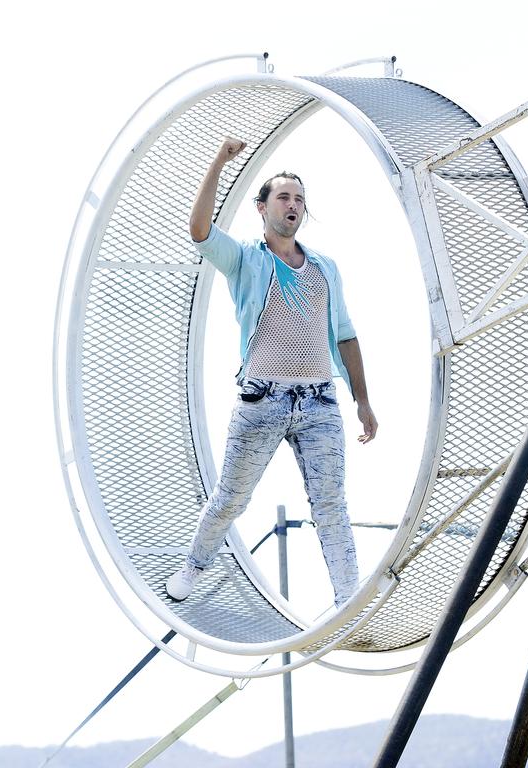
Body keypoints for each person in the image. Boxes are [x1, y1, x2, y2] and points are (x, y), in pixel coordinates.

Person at [166, 137, 377, 608]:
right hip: (264, 400)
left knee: (331, 505)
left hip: (320, 402)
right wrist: (219, 161)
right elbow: (199, 230)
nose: (293, 205)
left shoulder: (325, 268)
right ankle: (194, 566)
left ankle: (348, 597)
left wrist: (362, 398)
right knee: (230, 500)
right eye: (284, 197)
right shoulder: (246, 259)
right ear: (262, 208)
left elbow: (344, 333)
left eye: (300, 199)